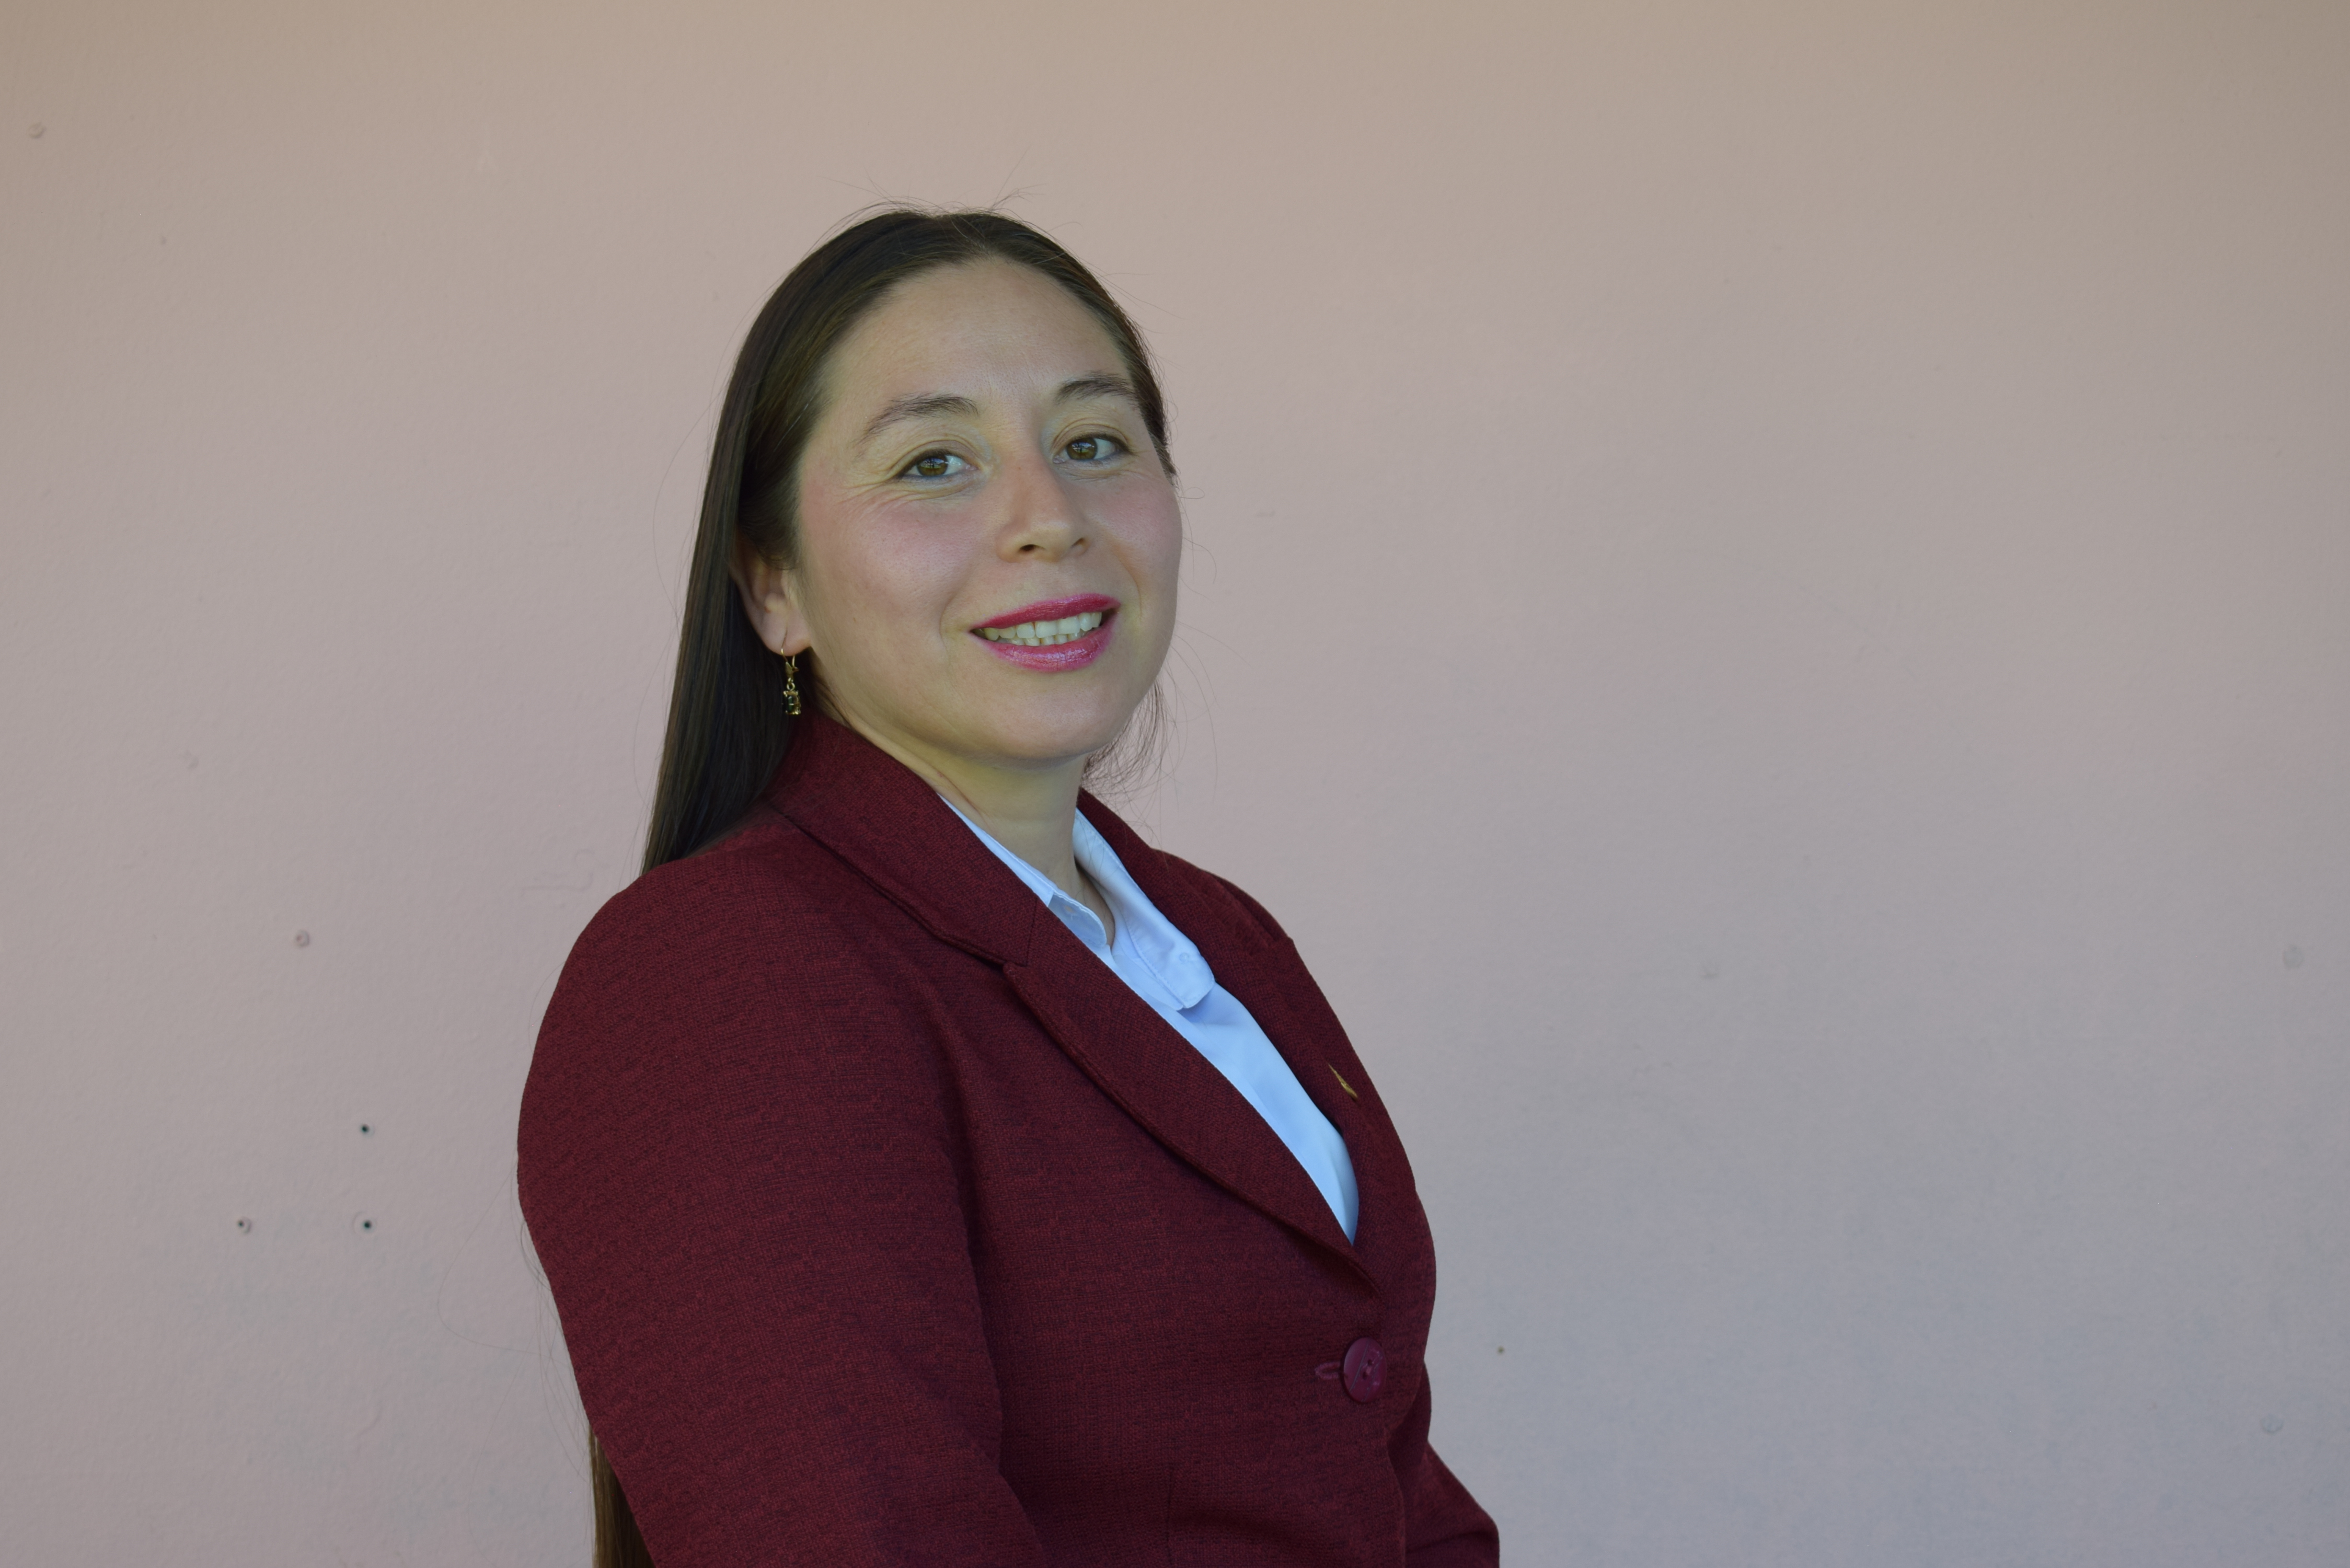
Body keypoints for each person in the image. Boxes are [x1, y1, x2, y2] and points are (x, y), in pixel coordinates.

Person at [518, 209, 1499, 1568]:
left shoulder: (1218, 937)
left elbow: (1379, 1468)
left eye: (1094, 443)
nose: (1050, 519)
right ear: (771, 585)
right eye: (934, 463)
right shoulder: (718, 976)